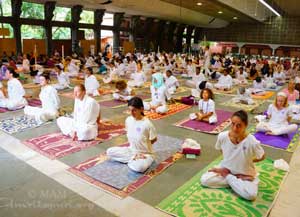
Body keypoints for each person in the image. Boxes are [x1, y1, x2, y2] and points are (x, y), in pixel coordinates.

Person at [201, 110, 265, 201]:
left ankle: (230, 178)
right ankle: (235, 182)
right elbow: (221, 150)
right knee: (205, 180)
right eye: (233, 124)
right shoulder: (222, 136)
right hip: (226, 168)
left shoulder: (252, 141)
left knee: (251, 195)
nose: (235, 128)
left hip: (244, 173)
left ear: (245, 126)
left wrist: (249, 160)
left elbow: (262, 156)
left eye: (239, 125)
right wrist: (228, 162)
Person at [107, 97, 157, 173]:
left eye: (134, 110)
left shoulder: (147, 124)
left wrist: (143, 150)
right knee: (109, 151)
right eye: (130, 110)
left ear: (141, 109)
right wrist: (134, 155)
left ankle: (134, 160)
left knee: (139, 167)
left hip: (145, 154)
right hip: (131, 150)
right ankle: (133, 159)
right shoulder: (128, 120)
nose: (131, 113)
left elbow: (154, 139)